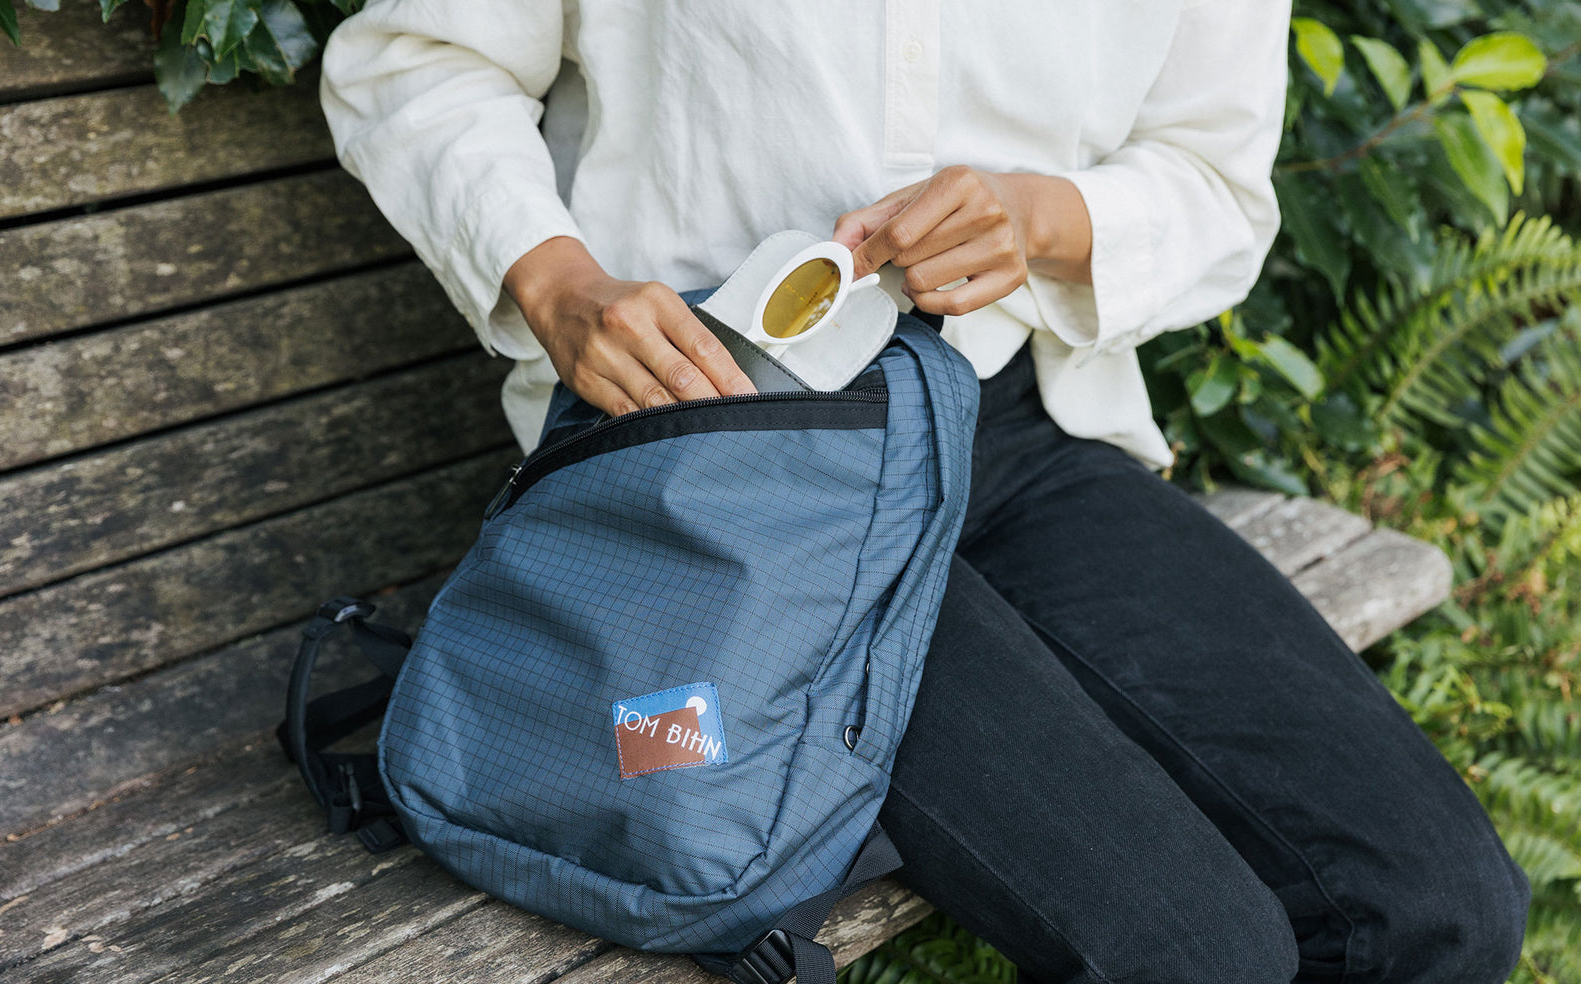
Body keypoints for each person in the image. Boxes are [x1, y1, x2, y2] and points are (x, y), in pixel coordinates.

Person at [318, 4, 1531, 981]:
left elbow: (1216, 182)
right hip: (715, 467)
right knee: (1196, 953)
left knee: (1440, 910)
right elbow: (417, 61)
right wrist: (555, 278)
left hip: (1020, 425)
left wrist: (1044, 219)